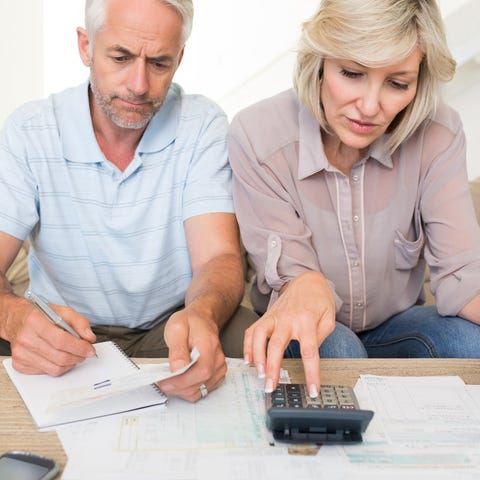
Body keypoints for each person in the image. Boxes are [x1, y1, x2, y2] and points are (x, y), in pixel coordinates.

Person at [0, 0, 257, 403]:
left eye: (158, 63)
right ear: (86, 46)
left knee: (244, 334)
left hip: (168, 329)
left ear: (180, 58)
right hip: (61, 333)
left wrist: (202, 314)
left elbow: (219, 259)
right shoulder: (30, 131)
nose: (139, 85)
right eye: (120, 57)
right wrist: (14, 317)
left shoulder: (202, 124)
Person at [228, 0, 480, 399]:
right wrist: (303, 287)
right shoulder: (257, 134)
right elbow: (300, 283)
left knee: (471, 345)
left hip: (398, 327)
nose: (369, 107)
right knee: (340, 352)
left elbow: (464, 277)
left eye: (397, 84)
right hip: (309, 323)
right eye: (352, 74)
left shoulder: (439, 134)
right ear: (320, 59)